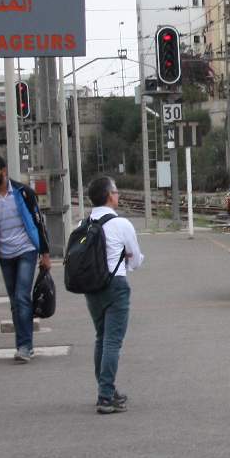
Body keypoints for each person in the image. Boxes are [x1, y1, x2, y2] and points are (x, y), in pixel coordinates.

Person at [0, 154, 51, 363]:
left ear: (3, 171)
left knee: (22, 296)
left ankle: (25, 347)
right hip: (4, 255)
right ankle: (22, 345)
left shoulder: (24, 193)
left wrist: (45, 253)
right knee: (15, 302)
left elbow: (38, 223)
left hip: (26, 250)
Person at [82, 176, 144, 414]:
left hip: (91, 287)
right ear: (109, 196)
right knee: (112, 342)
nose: (118, 195)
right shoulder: (122, 224)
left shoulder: (83, 223)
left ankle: (106, 389)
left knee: (101, 337)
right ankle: (105, 396)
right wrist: (129, 260)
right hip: (116, 285)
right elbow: (136, 259)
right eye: (116, 191)